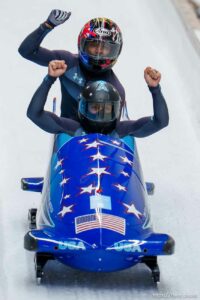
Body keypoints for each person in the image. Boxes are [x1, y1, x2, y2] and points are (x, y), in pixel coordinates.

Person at [18, 10, 127, 120]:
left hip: (92, 135)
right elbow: (27, 51)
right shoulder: (66, 62)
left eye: (105, 47)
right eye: (94, 45)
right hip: (65, 129)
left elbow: (112, 129)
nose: (98, 51)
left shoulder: (117, 90)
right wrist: (47, 26)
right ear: (82, 43)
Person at [27, 60, 169, 138]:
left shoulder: (122, 130)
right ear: (83, 108)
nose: (101, 113)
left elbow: (160, 122)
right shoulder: (71, 128)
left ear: (115, 110)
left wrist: (155, 89)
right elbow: (34, 114)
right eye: (95, 107)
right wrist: (49, 79)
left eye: (107, 108)